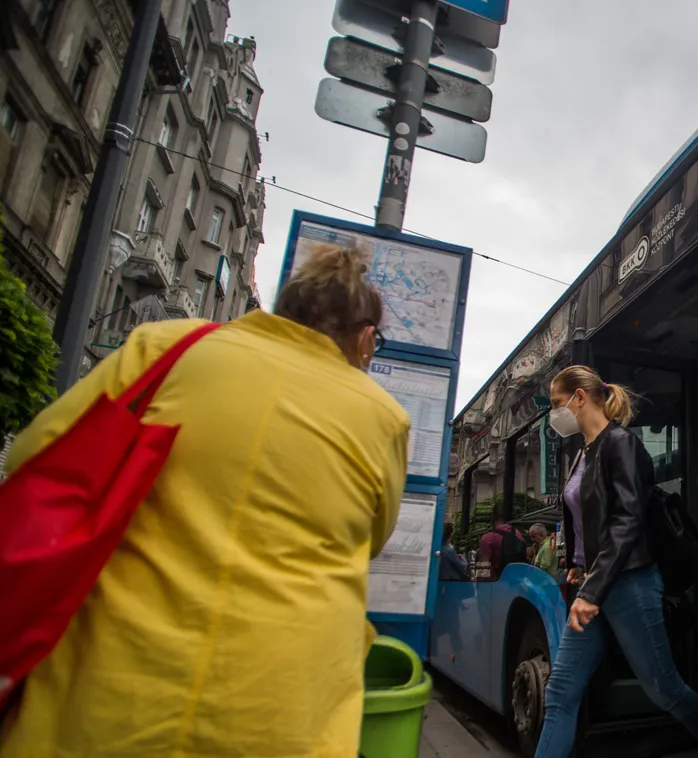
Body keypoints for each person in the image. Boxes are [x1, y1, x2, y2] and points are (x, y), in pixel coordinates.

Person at [0, 243, 410, 757]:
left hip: (106, 688)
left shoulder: (167, 347)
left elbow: (36, 457)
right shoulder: (384, 416)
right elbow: (372, 538)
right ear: (367, 338)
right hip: (283, 711)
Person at [535, 366, 698, 758]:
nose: (555, 414)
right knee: (560, 692)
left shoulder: (620, 443)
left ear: (579, 398)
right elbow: (588, 517)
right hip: (595, 583)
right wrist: (576, 561)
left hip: (628, 584)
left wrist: (593, 587)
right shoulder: (584, 452)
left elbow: (627, 521)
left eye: (556, 404)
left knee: (665, 690)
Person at [477, 502, 528, 580]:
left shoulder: (488, 538)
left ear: (492, 516)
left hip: (497, 585)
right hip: (516, 584)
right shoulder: (518, 534)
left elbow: (483, 570)